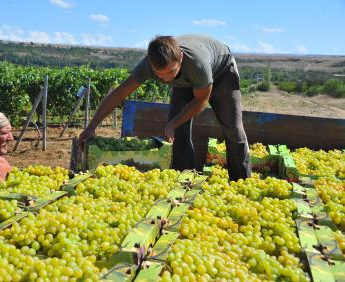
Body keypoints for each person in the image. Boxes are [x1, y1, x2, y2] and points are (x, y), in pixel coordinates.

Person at [78, 34, 251, 181]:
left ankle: (241, 182)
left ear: (180, 58)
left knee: (233, 128)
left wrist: (172, 123)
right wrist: (91, 126)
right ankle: (185, 181)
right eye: (160, 75)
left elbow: (201, 101)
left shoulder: (197, 64)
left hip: (222, 71)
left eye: (170, 72)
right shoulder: (148, 66)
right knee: (178, 133)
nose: (166, 79)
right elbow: (119, 94)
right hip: (186, 79)